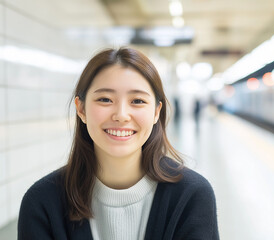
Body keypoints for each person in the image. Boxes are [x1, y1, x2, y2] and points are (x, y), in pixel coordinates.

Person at [18, 47, 219, 240]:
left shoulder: (191, 196)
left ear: (156, 112)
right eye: (105, 99)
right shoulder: (42, 203)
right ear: (81, 109)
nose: (121, 115)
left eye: (138, 101)